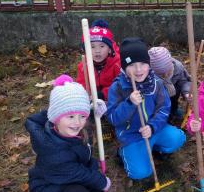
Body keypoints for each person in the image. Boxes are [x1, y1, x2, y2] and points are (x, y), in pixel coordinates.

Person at [25, 75, 111, 192]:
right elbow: (77, 173)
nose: (77, 122)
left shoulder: (71, 129)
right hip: (52, 183)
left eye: (82, 116)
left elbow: (68, 111)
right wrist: (101, 180)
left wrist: (92, 109)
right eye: (71, 117)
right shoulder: (52, 149)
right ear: (55, 118)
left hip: (74, 178)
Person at [107, 38, 186, 179]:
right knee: (141, 174)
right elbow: (113, 118)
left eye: (143, 64)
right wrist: (129, 103)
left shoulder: (156, 83)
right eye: (132, 65)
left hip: (153, 130)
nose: (138, 70)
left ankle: (154, 147)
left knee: (178, 138)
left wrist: (153, 127)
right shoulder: (118, 87)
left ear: (148, 64)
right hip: (132, 136)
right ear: (124, 67)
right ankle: (123, 153)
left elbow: (164, 108)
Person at [76, 19, 121, 101]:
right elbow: (81, 85)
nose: (97, 51)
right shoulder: (83, 66)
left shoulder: (117, 64)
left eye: (102, 46)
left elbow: (120, 85)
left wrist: (103, 94)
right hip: (91, 99)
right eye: (92, 47)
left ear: (110, 49)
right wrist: (85, 95)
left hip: (112, 99)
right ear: (85, 49)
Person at [148, 46, 191, 120]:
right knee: (159, 105)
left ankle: (173, 110)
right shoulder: (148, 74)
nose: (165, 76)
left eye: (168, 72)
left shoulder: (178, 67)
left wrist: (187, 92)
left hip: (174, 92)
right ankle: (161, 116)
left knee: (173, 101)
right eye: (161, 74)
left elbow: (184, 81)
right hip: (159, 97)